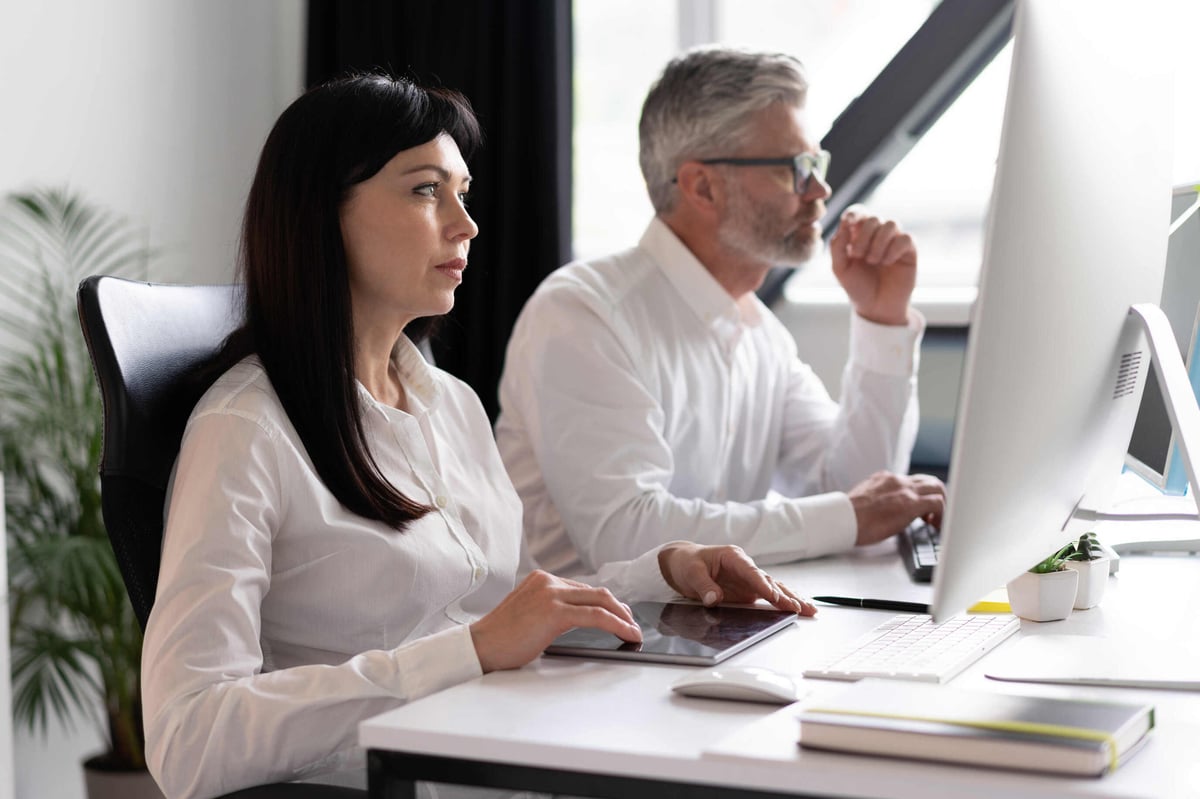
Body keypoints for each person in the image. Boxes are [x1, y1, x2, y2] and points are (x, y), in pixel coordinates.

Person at [139, 74, 813, 799]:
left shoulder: (450, 404)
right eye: (427, 190)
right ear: (321, 213)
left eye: (463, 192)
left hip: (522, 751)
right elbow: (189, 735)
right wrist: (467, 652)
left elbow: (514, 611)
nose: (466, 223)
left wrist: (668, 570)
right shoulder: (245, 430)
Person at [495, 47, 946, 578]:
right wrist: (848, 515)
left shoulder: (762, 336)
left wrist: (881, 320)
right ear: (702, 186)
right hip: (576, 655)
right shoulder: (583, 314)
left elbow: (865, 494)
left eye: (816, 165)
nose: (820, 190)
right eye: (795, 169)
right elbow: (624, 536)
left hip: (700, 644)